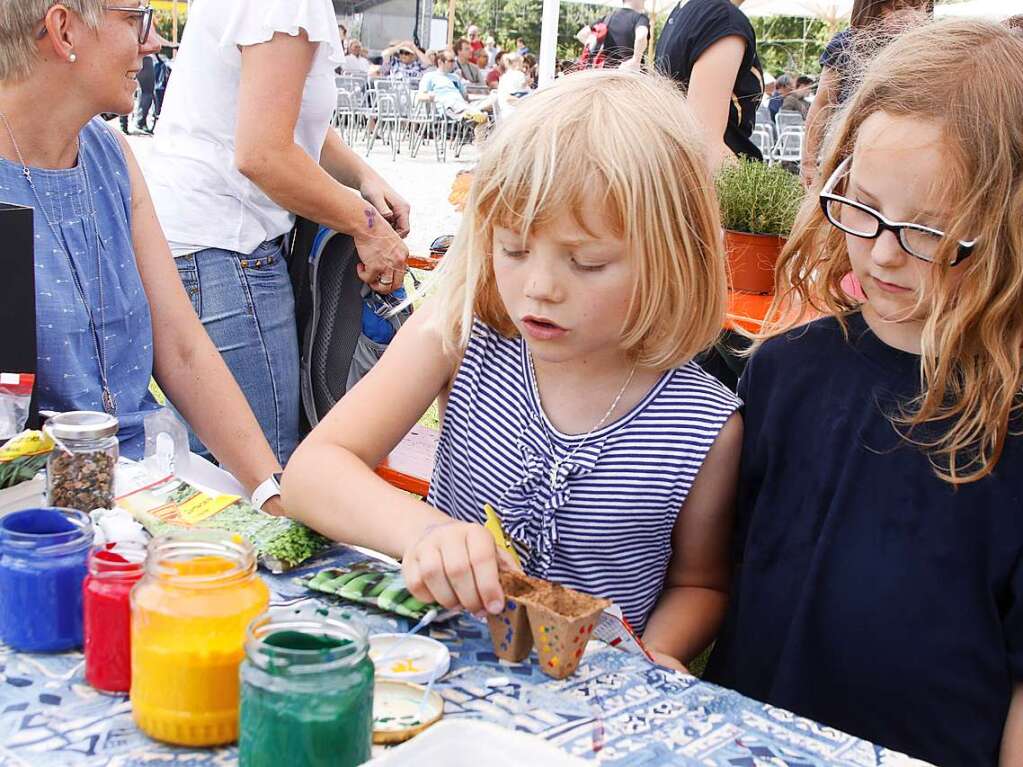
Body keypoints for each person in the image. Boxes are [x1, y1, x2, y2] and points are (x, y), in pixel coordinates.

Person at [282, 69, 742, 672]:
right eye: (515, 250)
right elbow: (312, 473)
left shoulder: (705, 425)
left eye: (587, 262)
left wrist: (661, 652)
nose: (541, 288)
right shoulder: (455, 336)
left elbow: (700, 585)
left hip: (588, 695)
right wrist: (423, 534)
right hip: (441, 666)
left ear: (674, 257)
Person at [704, 20, 1023, 766]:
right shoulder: (782, 371)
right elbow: (725, 569)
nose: (880, 251)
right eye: (864, 206)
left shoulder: (1013, 428)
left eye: (927, 230)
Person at [0, 0, 287, 514]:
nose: (152, 43)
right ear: (64, 30)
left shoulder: (111, 155)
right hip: (32, 514)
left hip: (147, 482)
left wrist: (270, 491)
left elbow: (180, 344)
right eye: (135, 19)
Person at [148, 0, 410, 466]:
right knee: (261, 467)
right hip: (227, 247)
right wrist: (367, 227)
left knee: (214, 461)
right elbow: (263, 153)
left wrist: (363, 177)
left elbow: (285, 114)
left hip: (201, 244)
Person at [800, 0, 930, 187]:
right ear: (869, 8)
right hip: (850, 164)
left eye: (918, 7)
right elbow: (822, 105)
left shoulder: (927, 52)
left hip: (906, 168)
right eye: (897, 8)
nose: (909, 17)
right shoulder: (846, 45)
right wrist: (808, 164)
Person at [655, 0, 764, 169]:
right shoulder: (722, 19)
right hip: (707, 183)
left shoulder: (685, 11)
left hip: (675, 170)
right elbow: (706, 142)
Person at [576, 0, 650, 70]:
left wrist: (596, 48)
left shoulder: (607, 18)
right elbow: (641, 36)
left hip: (605, 74)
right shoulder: (640, 18)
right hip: (628, 76)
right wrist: (635, 61)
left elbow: (581, 34)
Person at [417, 50, 484, 120]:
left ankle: (475, 115)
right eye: (451, 61)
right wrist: (432, 96)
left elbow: (465, 96)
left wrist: (482, 98)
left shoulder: (455, 77)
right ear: (440, 62)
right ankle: (474, 115)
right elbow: (420, 96)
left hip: (462, 104)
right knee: (459, 106)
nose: (454, 64)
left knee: (493, 98)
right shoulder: (430, 76)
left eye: (454, 61)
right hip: (447, 106)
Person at [497, 51, 528, 116]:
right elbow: (509, 98)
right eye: (521, 62)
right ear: (515, 63)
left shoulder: (504, 77)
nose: (523, 65)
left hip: (506, 111)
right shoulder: (518, 75)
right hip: (515, 112)